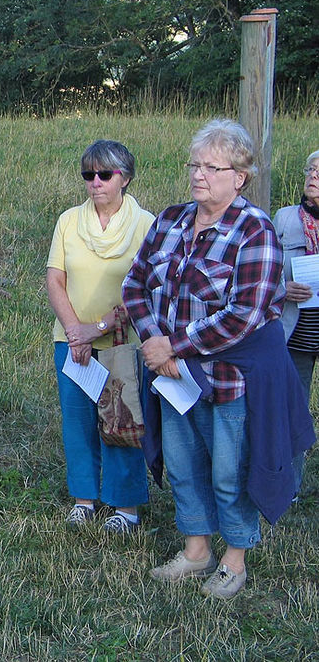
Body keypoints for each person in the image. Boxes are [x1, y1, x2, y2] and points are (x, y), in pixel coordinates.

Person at [123, 119, 314, 599]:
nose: (199, 175)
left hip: (230, 380)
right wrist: (155, 344)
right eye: (195, 164)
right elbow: (135, 286)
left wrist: (175, 344)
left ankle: (234, 560)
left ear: (239, 176)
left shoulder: (256, 230)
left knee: (231, 473)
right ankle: (195, 550)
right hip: (173, 377)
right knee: (184, 465)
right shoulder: (169, 220)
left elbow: (247, 314)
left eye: (212, 167)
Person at [46, 140, 153, 534]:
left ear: (124, 178)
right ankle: (84, 499)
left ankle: (125, 507)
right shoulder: (69, 221)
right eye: (88, 174)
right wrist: (76, 332)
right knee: (78, 421)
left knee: (122, 421)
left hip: (122, 341)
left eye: (104, 175)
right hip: (71, 342)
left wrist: (100, 328)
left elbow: (147, 287)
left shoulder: (146, 224)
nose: (95, 182)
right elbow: (55, 278)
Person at [273, 149, 319, 495]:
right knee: (293, 409)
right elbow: (265, 270)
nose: (312, 176)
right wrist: (283, 290)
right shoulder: (286, 219)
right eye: (310, 169)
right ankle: (290, 485)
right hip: (296, 332)